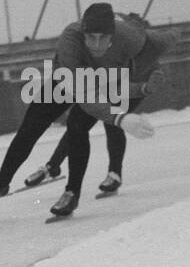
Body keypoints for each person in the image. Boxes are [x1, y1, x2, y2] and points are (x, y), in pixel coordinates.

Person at [0, 3, 178, 218]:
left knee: (77, 127)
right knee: (31, 126)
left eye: (102, 38)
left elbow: (169, 38)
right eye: (90, 37)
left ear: (113, 36)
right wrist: (120, 119)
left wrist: (149, 77)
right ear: (82, 34)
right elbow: (83, 94)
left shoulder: (132, 38)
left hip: (103, 81)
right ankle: (1, 183)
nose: (96, 44)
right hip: (68, 78)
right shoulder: (70, 40)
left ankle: (72, 193)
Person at [20, 12, 167, 195]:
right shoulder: (114, 32)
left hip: (131, 88)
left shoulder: (141, 46)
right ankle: (53, 166)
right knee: (78, 124)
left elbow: (153, 70)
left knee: (112, 122)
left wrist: (146, 85)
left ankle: (114, 173)